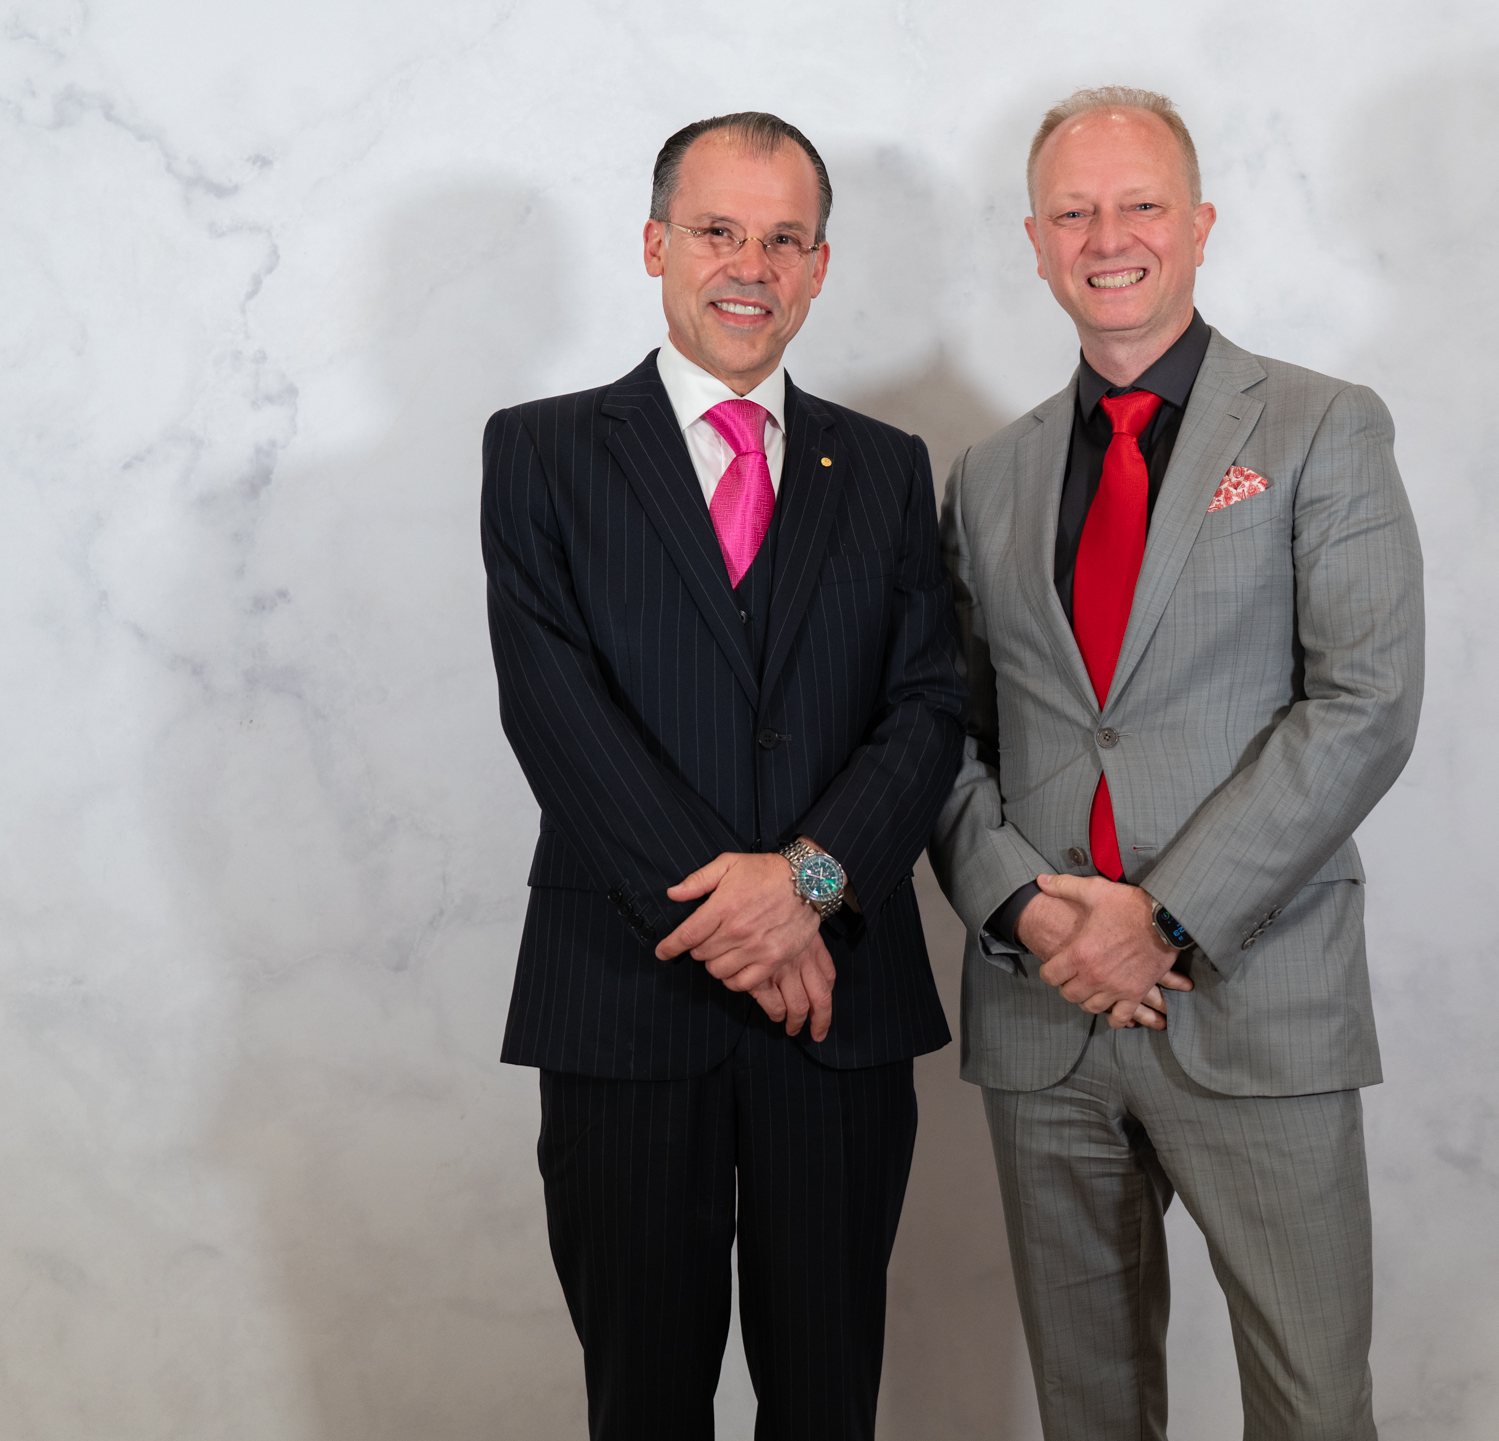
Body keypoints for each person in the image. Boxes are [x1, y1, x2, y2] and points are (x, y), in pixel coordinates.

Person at [930, 86, 1425, 1440]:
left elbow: (1366, 703)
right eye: (1074, 212)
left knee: (1314, 1408)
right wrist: (1028, 911)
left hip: (1255, 999)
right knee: (1088, 1414)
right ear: (1036, 242)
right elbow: (944, 732)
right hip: (1043, 1011)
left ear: (1199, 224)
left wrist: (1164, 917)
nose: (1109, 238)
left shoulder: (1323, 426)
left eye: (1140, 204)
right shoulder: (988, 476)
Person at [480, 111, 965, 1441]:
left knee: (827, 1403)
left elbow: (928, 707)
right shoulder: (542, 452)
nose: (750, 266)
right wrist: (740, 919)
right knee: (643, 1403)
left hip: (838, 1007)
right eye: (717, 231)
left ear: (820, 267)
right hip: (625, 999)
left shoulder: (885, 470)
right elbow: (554, 710)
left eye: (784, 239)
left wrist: (808, 884)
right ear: (655, 245)